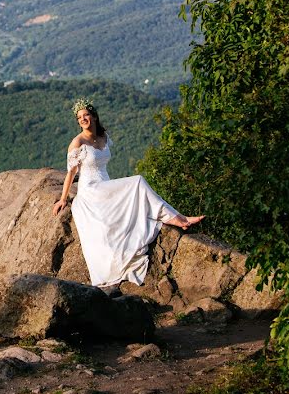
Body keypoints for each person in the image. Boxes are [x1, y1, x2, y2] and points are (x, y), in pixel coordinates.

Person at [52, 98, 204, 290]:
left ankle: (176, 217)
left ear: (94, 116)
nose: (83, 119)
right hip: (90, 190)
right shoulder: (77, 142)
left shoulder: (104, 136)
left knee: (135, 190)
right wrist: (63, 199)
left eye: (86, 115)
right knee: (138, 181)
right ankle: (177, 218)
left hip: (105, 185)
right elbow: (71, 173)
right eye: (79, 117)